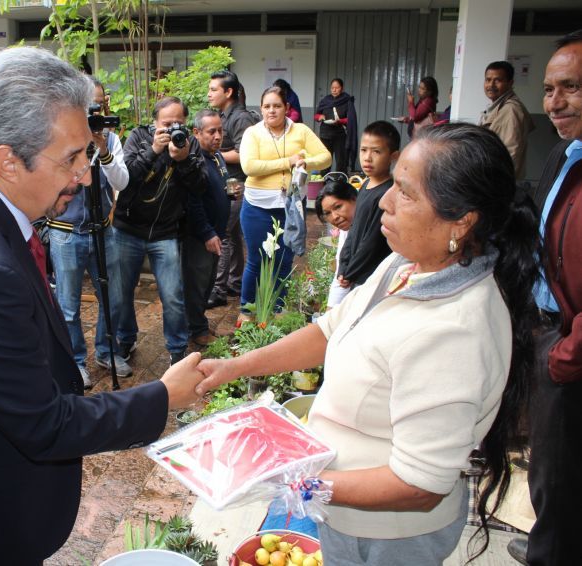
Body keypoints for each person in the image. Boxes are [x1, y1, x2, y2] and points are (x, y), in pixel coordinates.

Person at [0, 47, 204, 565]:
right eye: (71, 159)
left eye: (87, 153)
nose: (85, 176)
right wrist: (162, 398)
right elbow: (44, 425)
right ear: (7, 160)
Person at [198, 123, 540, 566]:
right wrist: (235, 367)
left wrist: (298, 482)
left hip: (390, 538)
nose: (384, 201)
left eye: (406, 192)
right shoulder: (406, 264)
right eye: (393, 184)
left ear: (462, 219)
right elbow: (330, 329)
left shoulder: (454, 330)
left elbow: (419, 485)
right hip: (346, 515)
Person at [510, 29, 582, 566]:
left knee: (559, 467)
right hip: (547, 323)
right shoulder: (566, 151)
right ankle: (548, 540)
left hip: (570, 344)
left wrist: (564, 354)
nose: (554, 103)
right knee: (549, 462)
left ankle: (550, 553)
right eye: (551, 88)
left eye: (573, 88)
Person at [46, 77, 132, 386]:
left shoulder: (110, 138)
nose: (95, 110)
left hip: (103, 229)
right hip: (67, 231)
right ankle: (76, 361)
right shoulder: (60, 137)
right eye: (88, 105)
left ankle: (106, 351)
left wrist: (103, 150)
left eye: (99, 103)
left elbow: (121, 182)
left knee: (114, 297)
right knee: (68, 305)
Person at [114, 96, 208, 365]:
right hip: (128, 229)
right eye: (167, 123)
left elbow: (200, 186)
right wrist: (154, 151)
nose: (173, 128)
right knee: (122, 292)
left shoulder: (189, 144)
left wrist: (184, 160)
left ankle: (177, 350)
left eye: (179, 122)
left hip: (166, 232)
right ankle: (126, 340)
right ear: (154, 122)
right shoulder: (138, 137)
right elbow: (125, 180)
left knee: (172, 295)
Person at [239, 86, 331, 318]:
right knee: (257, 260)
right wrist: (288, 161)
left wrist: (304, 162)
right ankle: (246, 310)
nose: (272, 111)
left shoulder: (300, 130)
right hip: (257, 206)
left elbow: (326, 157)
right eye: (267, 106)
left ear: (287, 108)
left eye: (277, 106)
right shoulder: (253, 133)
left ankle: (279, 310)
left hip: (291, 207)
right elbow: (249, 167)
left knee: (284, 261)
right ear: (260, 109)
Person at [206, 70, 255, 309]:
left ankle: (218, 289)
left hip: (237, 184)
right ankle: (235, 282)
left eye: (214, 89)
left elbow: (243, 153)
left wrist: (212, 155)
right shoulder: (223, 115)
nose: (209, 94)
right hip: (228, 182)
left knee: (223, 234)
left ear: (229, 92)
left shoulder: (241, 118)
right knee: (233, 236)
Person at [183, 109, 231, 347]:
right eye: (211, 131)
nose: (218, 136)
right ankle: (197, 330)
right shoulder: (195, 160)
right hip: (199, 236)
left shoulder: (217, 156)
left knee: (208, 281)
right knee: (197, 283)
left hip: (216, 232)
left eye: (220, 130)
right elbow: (193, 202)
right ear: (196, 132)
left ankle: (198, 323)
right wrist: (207, 233)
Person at [337, 121, 400, 289]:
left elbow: (371, 242)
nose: (367, 158)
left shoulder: (388, 193)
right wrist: (343, 268)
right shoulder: (365, 185)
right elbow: (354, 230)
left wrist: (350, 272)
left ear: (393, 157)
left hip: (373, 279)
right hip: (356, 275)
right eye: (363, 150)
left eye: (376, 151)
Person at [479, 61, 535, 180]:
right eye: (488, 80)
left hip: (498, 181)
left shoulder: (511, 110)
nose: (491, 85)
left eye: (497, 80)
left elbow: (511, 152)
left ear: (510, 83)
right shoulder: (497, 107)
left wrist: (498, 184)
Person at [314, 175, 357, 309]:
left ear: (354, 199)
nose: (335, 217)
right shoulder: (346, 231)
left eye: (338, 207)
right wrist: (329, 314)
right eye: (327, 213)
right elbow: (340, 276)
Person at [314, 78, 357, 173]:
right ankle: (324, 183)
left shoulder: (347, 101)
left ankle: (340, 183)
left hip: (340, 136)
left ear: (341, 88)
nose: (334, 90)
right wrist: (319, 117)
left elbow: (351, 119)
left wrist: (340, 121)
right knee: (325, 160)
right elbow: (316, 115)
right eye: (332, 88)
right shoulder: (325, 100)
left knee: (341, 162)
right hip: (325, 134)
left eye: (337, 88)